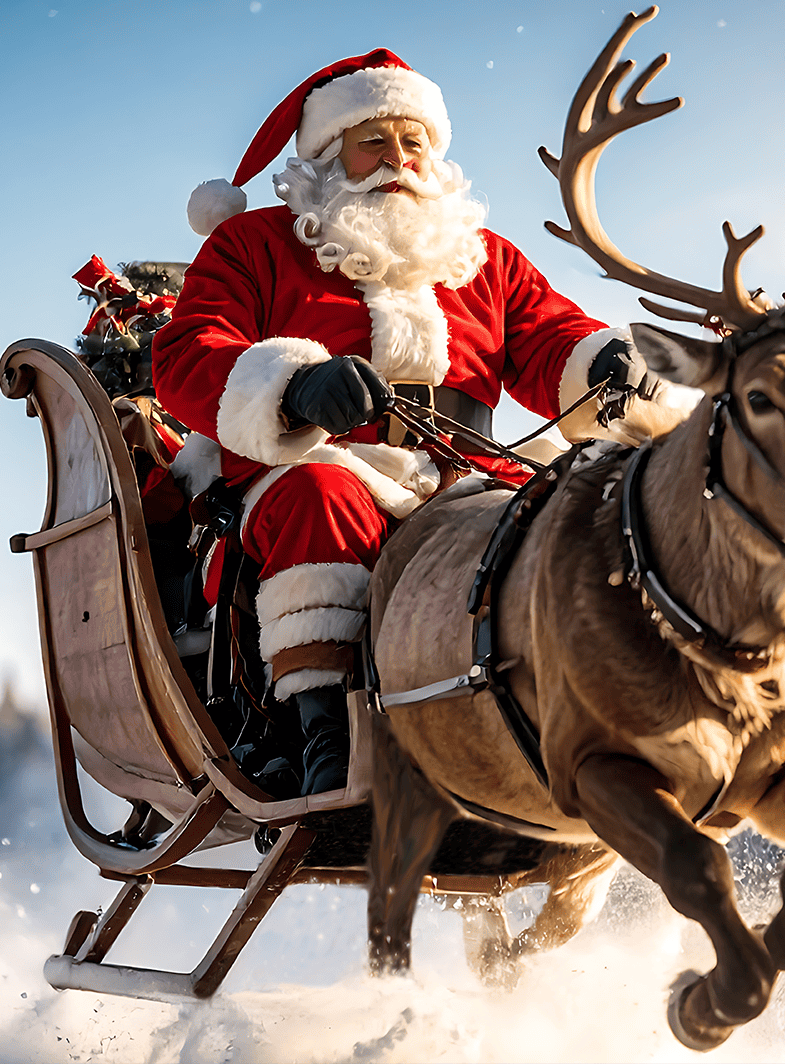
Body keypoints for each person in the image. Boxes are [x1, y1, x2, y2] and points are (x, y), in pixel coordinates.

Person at [151, 49, 683, 795]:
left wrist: (600, 363)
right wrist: (298, 385)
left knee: (573, 520)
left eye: (415, 144)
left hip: (465, 477)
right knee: (321, 501)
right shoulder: (255, 245)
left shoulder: (484, 259)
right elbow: (186, 353)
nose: (398, 161)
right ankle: (323, 745)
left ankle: (586, 724)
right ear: (330, 155)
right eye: (375, 142)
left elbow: (550, 339)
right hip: (316, 467)